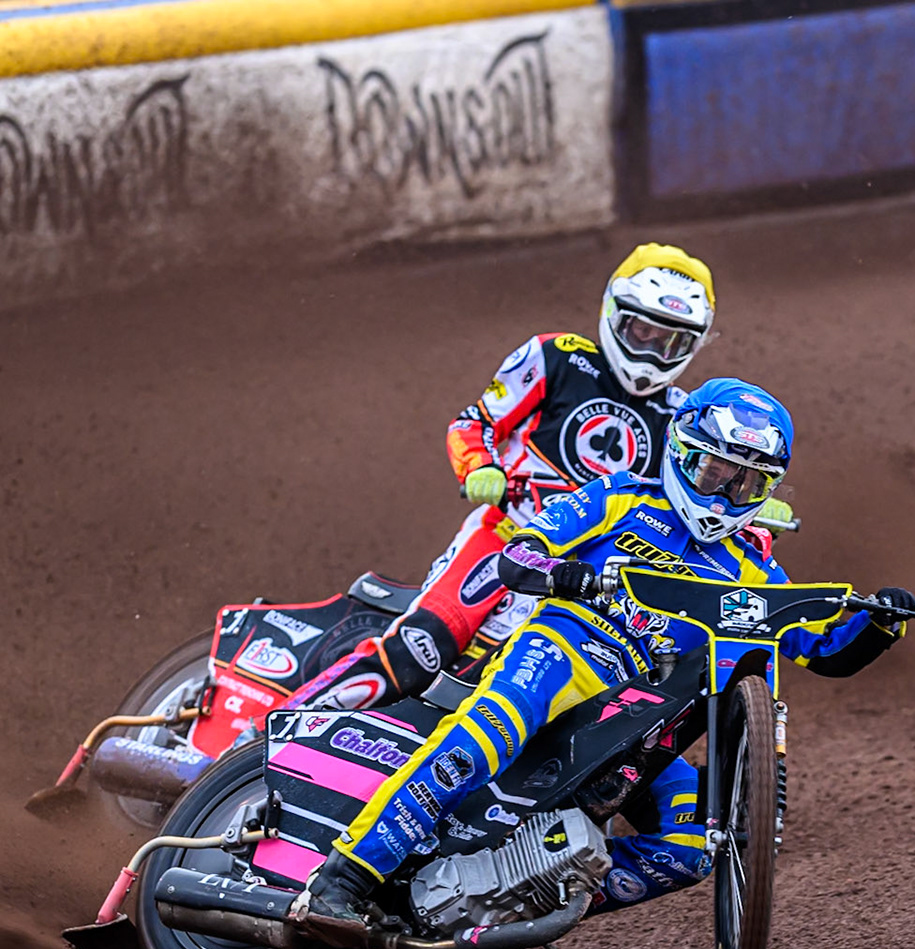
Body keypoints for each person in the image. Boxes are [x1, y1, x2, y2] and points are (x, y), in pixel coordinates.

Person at [295, 379, 915, 929]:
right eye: (715, 472)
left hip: (643, 718)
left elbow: (825, 649)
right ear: (680, 454)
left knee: (690, 849)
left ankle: (510, 900)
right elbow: (519, 551)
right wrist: (559, 573)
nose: (728, 493)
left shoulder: (753, 566)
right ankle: (343, 879)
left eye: (748, 481)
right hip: (565, 650)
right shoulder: (621, 497)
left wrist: (880, 622)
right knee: (485, 736)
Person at [289, 243, 749, 711]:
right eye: (643, 331)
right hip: (507, 537)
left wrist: (739, 501)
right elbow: (475, 423)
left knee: (551, 695)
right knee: (422, 646)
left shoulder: (682, 419)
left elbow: (692, 494)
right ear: (615, 314)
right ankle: (276, 729)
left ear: (694, 344)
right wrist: (481, 467)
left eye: (671, 341)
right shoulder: (557, 357)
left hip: (587, 573)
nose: (652, 351)